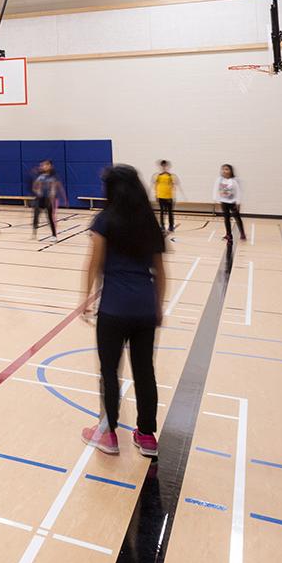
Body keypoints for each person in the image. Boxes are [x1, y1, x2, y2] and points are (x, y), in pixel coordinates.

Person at [80, 164, 167, 458]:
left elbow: (94, 262)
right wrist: (158, 305)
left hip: (114, 310)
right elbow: (161, 271)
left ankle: (108, 433)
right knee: (145, 372)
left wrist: (86, 297)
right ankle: (146, 435)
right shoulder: (149, 222)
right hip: (144, 308)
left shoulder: (104, 220)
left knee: (109, 371)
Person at [31, 160, 65, 237]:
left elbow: (55, 188)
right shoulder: (40, 177)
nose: (44, 166)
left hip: (48, 200)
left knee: (50, 217)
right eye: (43, 165)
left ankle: (54, 235)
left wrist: (52, 194)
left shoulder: (53, 177)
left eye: (46, 165)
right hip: (40, 199)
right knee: (36, 215)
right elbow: (34, 187)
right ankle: (34, 232)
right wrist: (37, 191)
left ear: (50, 166)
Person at [215, 163, 246, 243]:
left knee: (237, 218)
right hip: (224, 202)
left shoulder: (234, 180)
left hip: (232, 202)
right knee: (226, 219)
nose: (224, 171)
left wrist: (238, 202)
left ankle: (242, 233)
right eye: (223, 169)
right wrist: (217, 199)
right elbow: (216, 189)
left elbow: (238, 191)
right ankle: (228, 234)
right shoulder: (220, 179)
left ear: (230, 171)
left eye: (227, 169)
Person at [152, 160, 178, 232]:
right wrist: (156, 195)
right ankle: (162, 226)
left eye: (165, 165)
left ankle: (171, 226)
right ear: (161, 166)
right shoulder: (158, 176)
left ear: (167, 166)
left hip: (169, 197)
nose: (164, 167)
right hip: (161, 196)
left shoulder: (170, 176)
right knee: (162, 212)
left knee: (170, 212)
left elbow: (173, 185)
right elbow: (156, 185)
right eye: (163, 166)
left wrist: (173, 195)